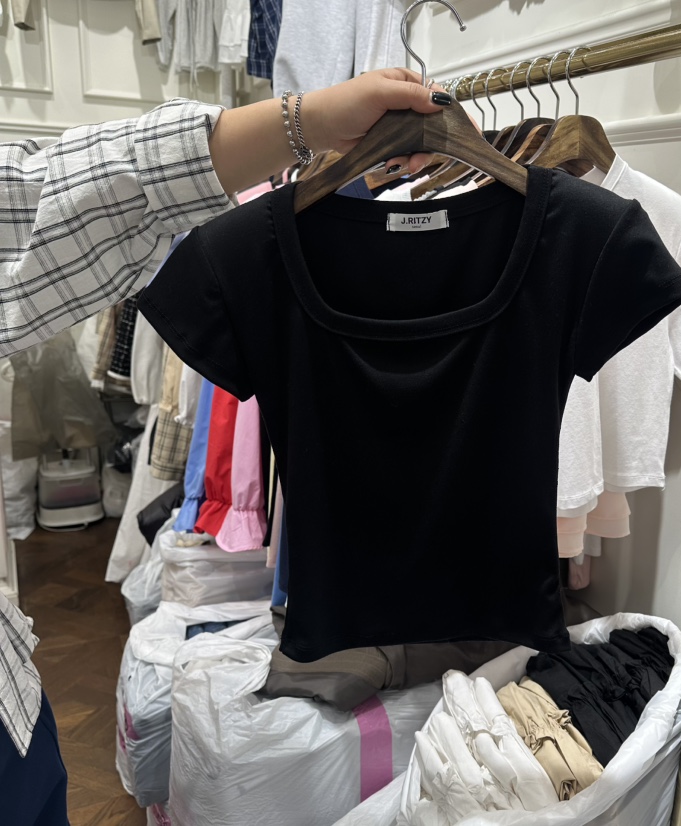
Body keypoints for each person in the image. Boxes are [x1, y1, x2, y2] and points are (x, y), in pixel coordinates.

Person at [0, 67, 450, 825]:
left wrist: (306, 121)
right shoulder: (255, 245)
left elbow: (48, 197)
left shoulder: (575, 229)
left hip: (10, 712)